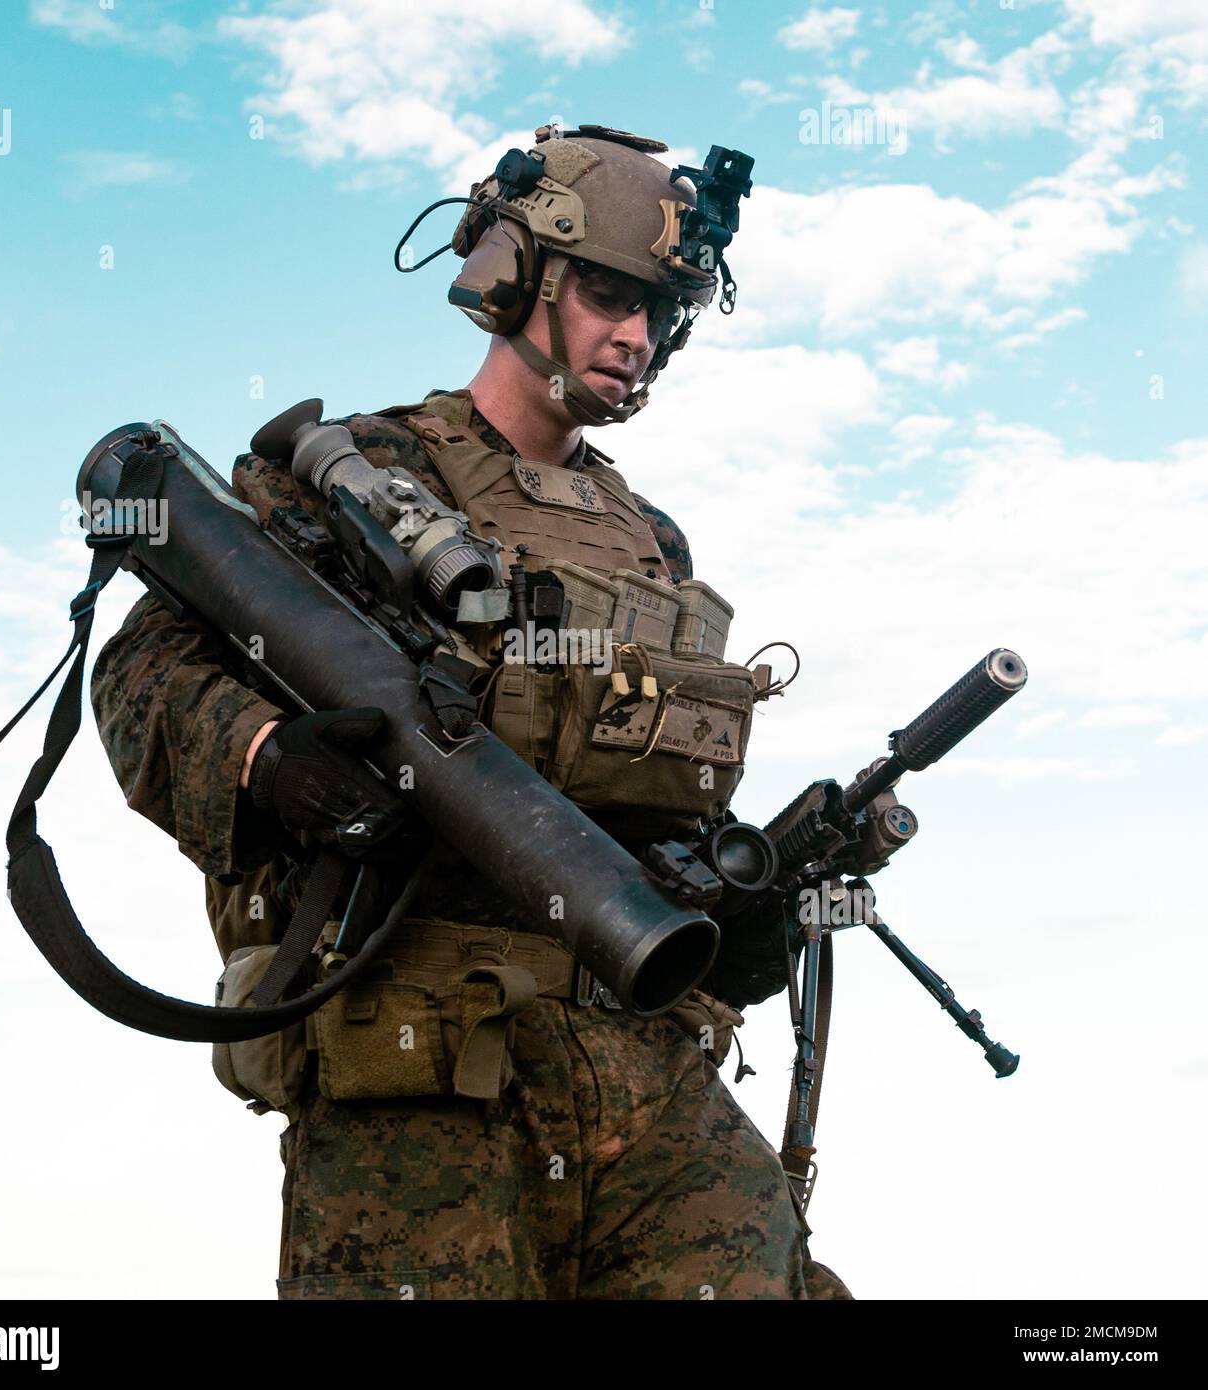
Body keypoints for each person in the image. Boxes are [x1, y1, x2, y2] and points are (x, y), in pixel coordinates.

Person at [90, 123, 853, 1300]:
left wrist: (737, 901)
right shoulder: (355, 476)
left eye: (662, 309)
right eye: (608, 293)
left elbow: (630, 784)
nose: (636, 336)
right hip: (426, 1063)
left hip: (641, 1060)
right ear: (515, 276)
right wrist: (267, 756)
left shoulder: (650, 543)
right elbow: (143, 675)